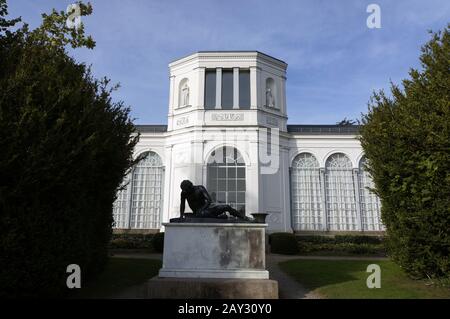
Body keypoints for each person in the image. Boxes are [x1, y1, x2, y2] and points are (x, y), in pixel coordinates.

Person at [179, 180, 249, 220]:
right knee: (201, 214)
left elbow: (209, 200)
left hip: (206, 210)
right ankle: (220, 217)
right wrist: (181, 216)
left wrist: (202, 209)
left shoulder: (200, 188)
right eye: (184, 190)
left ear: (190, 187)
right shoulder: (184, 193)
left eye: (186, 190)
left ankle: (243, 217)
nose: (185, 191)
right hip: (198, 213)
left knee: (226, 207)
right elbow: (182, 205)